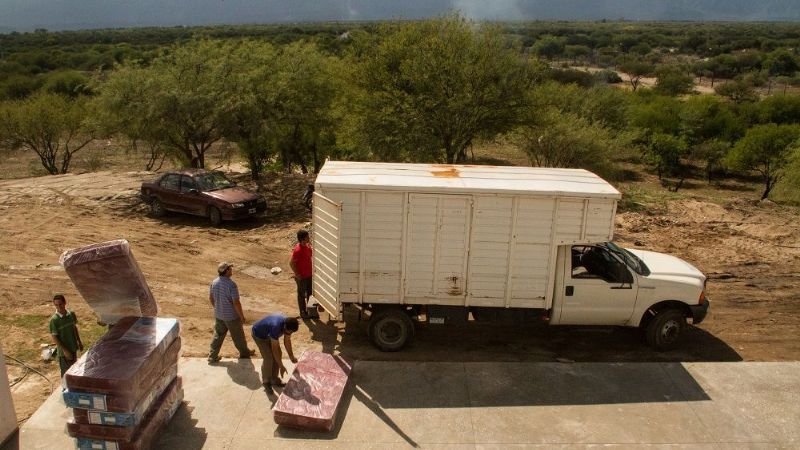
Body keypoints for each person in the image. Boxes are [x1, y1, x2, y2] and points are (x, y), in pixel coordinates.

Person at [208, 262, 255, 363]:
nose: (232, 270)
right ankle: (244, 354)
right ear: (226, 271)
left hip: (219, 315)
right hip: (231, 317)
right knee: (238, 336)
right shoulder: (231, 285)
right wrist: (241, 316)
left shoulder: (214, 282)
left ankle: (212, 356)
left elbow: (211, 298)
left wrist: (217, 308)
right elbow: (236, 302)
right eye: (230, 269)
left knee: (218, 336)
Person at [251, 314, 299, 388]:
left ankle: (274, 379)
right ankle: (266, 381)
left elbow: (287, 341)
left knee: (278, 355)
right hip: (259, 336)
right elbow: (275, 350)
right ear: (285, 327)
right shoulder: (275, 327)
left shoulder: (289, 324)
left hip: (268, 334)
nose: (289, 334)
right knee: (268, 358)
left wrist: (291, 356)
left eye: (291, 332)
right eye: (289, 332)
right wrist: (281, 366)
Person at [49, 294, 83, 377]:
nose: (59, 307)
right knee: (66, 375)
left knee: (74, 370)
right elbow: (55, 337)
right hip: (64, 352)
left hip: (73, 347)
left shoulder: (71, 314)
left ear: (65, 303)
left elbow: (74, 328)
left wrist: (79, 341)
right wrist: (65, 351)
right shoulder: (54, 320)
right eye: (56, 305)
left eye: (60, 304)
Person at [289, 229, 313, 318]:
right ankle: (303, 313)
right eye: (307, 237)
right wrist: (297, 274)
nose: (309, 238)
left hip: (309, 275)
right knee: (302, 295)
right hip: (302, 277)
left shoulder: (307, 246)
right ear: (302, 239)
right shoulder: (298, 250)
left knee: (310, 294)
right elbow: (291, 263)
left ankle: (310, 311)